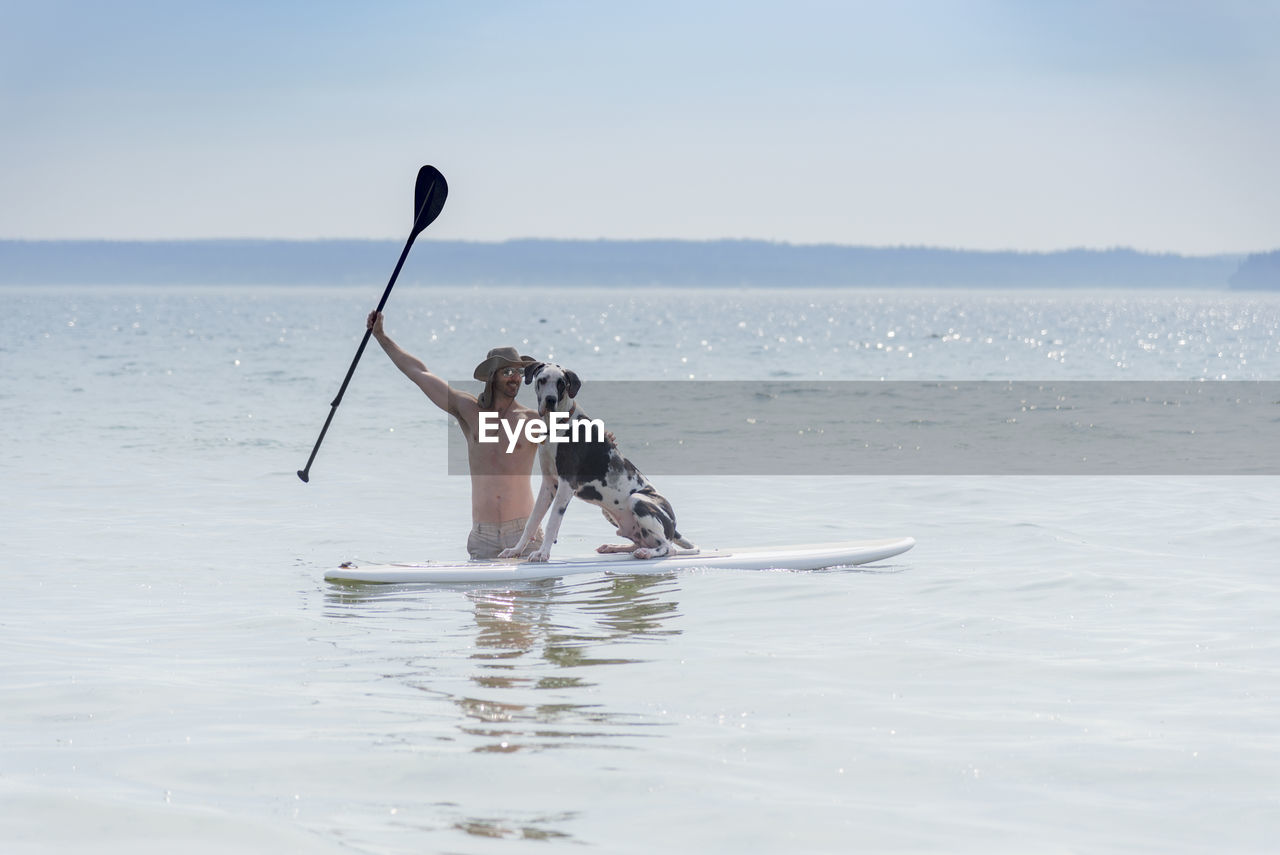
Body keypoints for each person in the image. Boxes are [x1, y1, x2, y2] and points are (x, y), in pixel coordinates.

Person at [366, 310, 544, 560]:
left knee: (533, 600)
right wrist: (381, 336)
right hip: (483, 535)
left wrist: (602, 436)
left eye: (519, 372)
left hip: (525, 533)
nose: (515, 378)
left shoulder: (533, 420)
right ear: (492, 376)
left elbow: (576, 434)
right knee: (484, 601)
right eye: (507, 372)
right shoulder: (468, 410)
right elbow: (419, 373)